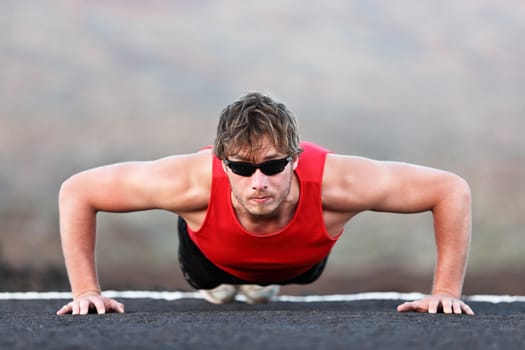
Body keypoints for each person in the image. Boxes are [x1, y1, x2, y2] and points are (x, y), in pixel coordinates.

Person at [56, 92, 474, 316]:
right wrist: (86, 292)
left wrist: (445, 292)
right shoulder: (189, 181)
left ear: (294, 158)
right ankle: (228, 284)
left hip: (299, 263)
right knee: (209, 284)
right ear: (221, 162)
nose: (258, 182)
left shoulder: (339, 182)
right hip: (210, 259)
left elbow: (449, 190)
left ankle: (259, 284)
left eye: (274, 166)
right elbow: (78, 191)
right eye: (241, 168)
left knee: (294, 276)